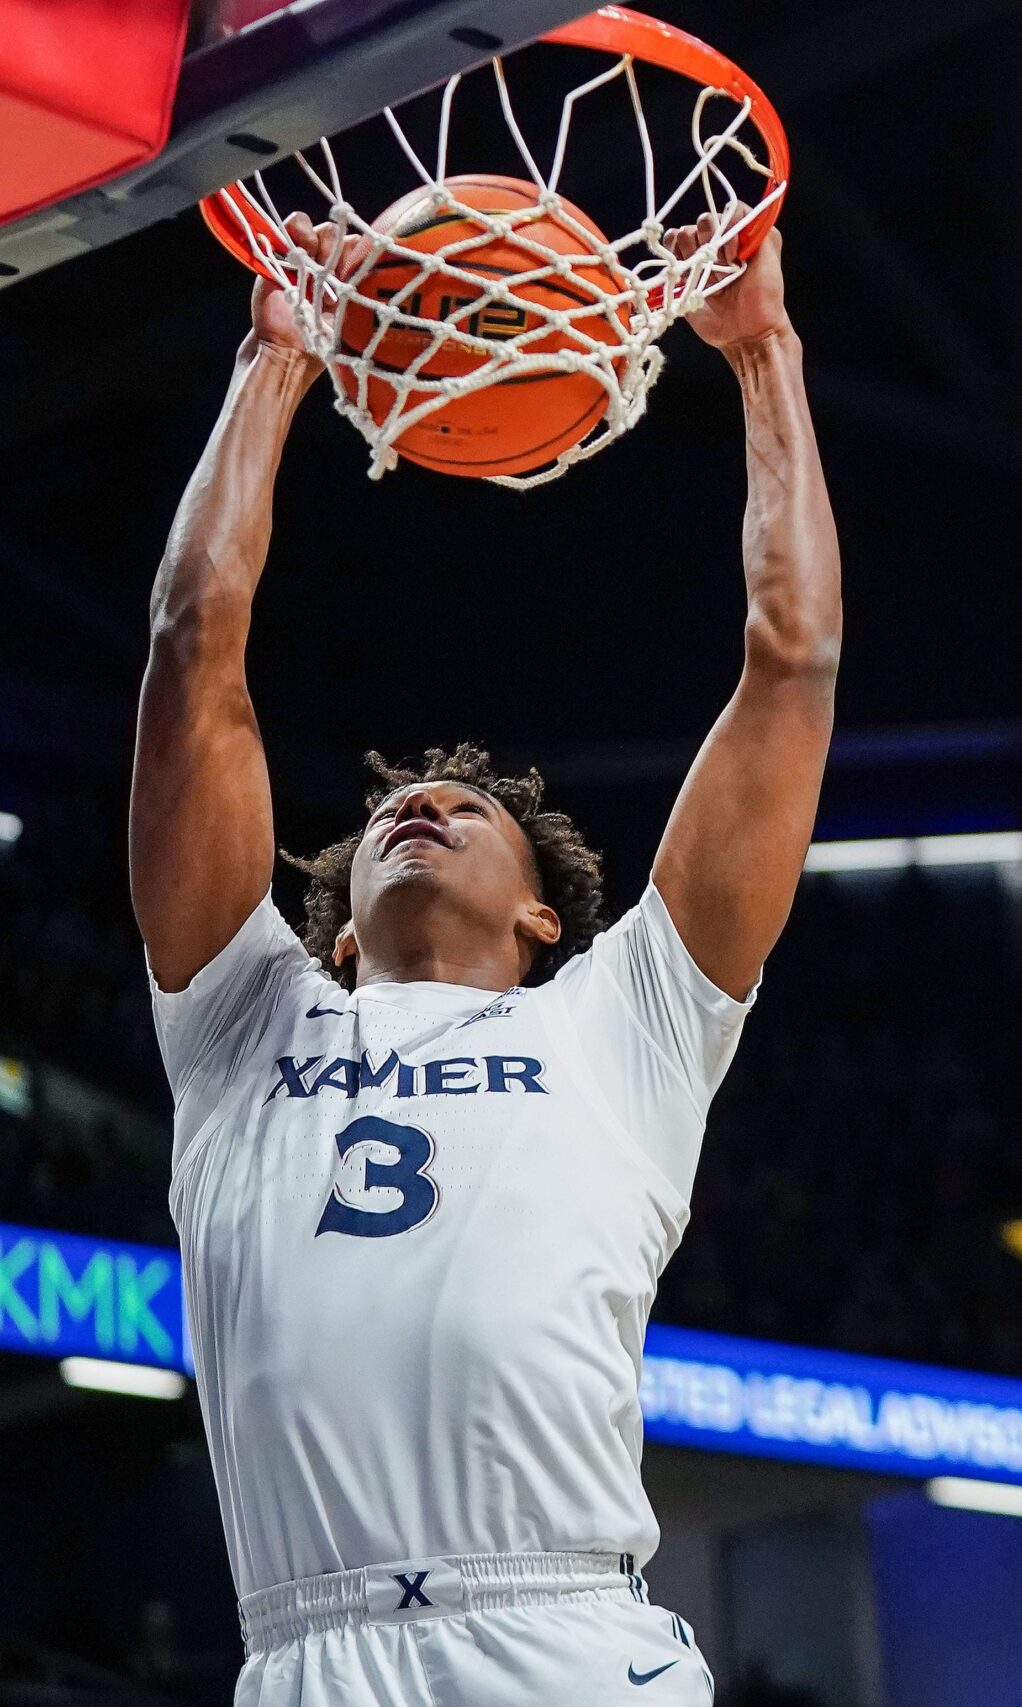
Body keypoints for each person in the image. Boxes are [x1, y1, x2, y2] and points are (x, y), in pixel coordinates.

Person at [129, 210, 838, 1705]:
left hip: (565, 1632)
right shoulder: (245, 1022)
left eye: (465, 806)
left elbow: (793, 659)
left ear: (543, 921)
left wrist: (762, 354)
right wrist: (275, 361)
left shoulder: (628, 1018)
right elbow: (197, 641)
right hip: (307, 1651)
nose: (421, 801)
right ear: (325, 934)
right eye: (391, 801)